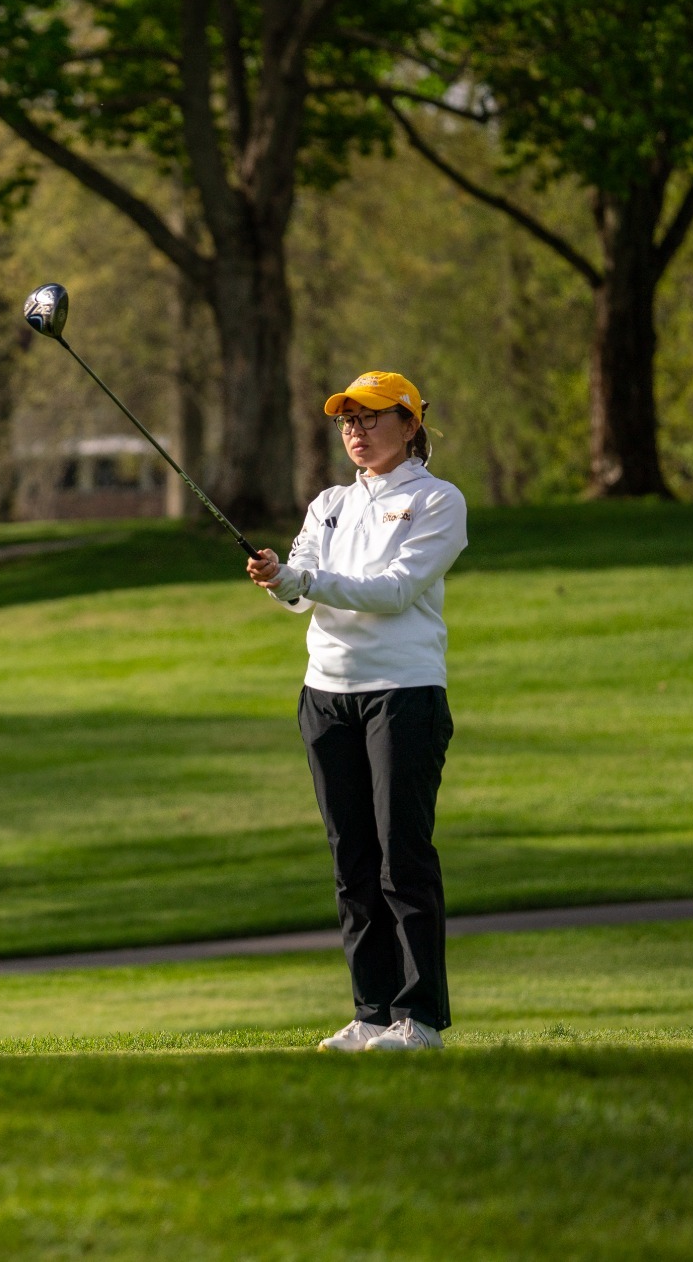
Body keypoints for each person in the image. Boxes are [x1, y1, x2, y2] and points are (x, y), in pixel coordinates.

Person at [247, 371, 467, 1053]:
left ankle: (419, 1019)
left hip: (403, 691)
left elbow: (396, 591)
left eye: (371, 417)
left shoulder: (437, 500)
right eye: (348, 420)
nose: (356, 431)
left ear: (410, 424)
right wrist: (279, 579)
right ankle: (372, 1013)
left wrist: (304, 580)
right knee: (353, 862)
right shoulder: (329, 503)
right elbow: (300, 594)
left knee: (403, 857)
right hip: (326, 695)